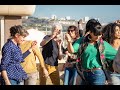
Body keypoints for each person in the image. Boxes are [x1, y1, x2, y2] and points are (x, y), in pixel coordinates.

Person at [65, 19, 117, 85]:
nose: (98, 37)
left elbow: (116, 55)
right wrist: (69, 41)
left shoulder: (103, 44)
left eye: (100, 34)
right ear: (90, 32)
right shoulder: (82, 41)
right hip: (84, 74)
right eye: (96, 35)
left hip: (97, 74)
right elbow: (71, 50)